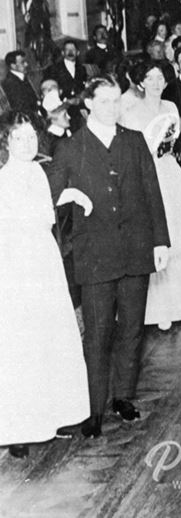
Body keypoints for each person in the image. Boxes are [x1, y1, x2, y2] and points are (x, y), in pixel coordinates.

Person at [48, 77, 170, 437]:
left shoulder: (133, 141)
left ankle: (123, 397)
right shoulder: (70, 148)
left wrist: (160, 242)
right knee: (98, 335)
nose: (112, 108)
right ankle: (93, 408)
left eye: (117, 101)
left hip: (136, 249)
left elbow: (152, 191)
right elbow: (50, 196)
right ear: (88, 106)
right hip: (95, 255)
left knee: (132, 329)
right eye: (104, 102)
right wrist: (71, 192)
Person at [0, 112, 89, 458]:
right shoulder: (3, 179)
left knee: (51, 333)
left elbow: (46, 216)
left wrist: (70, 195)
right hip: (16, 265)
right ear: (7, 142)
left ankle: (54, 416)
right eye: (18, 138)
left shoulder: (38, 171)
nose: (27, 144)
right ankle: (19, 428)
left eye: (31, 137)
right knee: (22, 341)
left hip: (44, 258)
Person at [119, 61, 181, 330]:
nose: (156, 83)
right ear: (141, 82)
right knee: (155, 231)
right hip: (145, 177)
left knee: (177, 230)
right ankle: (156, 310)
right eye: (150, 78)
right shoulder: (129, 111)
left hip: (170, 172)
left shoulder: (171, 108)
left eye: (160, 78)